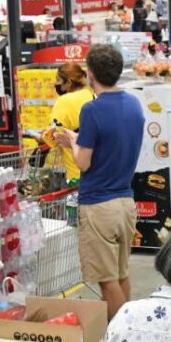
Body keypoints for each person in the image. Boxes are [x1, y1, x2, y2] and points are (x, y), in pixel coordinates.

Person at [52, 44, 144, 319]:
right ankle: (127, 330)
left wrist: (71, 142)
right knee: (121, 273)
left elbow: (84, 162)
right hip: (126, 202)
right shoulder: (133, 104)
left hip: (98, 206)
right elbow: (111, 143)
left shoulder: (92, 110)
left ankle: (120, 333)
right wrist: (78, 139)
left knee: (107, 280)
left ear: (90, 73)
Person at [44, 62, 95, 183]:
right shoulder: (91, 94)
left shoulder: (64, 101)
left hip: (76, 173)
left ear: (68, 82)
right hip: (95, 168)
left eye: (58, 80)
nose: (56, 84)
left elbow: (53, 136)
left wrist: (41, 137)